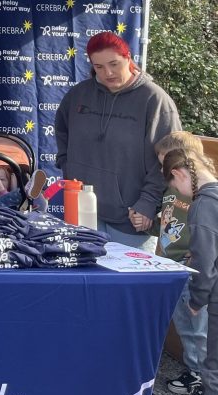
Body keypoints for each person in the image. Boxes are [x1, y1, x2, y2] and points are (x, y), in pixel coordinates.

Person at [55, 31, 181, 249]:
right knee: (85, 281)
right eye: (99, 67)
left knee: (130, 283)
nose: (108, 73)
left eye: (114, 64)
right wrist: (69, 168)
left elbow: (172, 158)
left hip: (132, 219)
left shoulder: (154, 100)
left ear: (129, 58)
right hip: (81, 213)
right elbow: (62, 132)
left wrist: (148, 203)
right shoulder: (78, 95)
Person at [156, 132, 209, 395]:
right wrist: (148, 224)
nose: (162, 169)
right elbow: (167, 224)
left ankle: (206, 382)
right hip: (173, 268)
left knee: (200, 331)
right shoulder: (172, 190)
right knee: (186, 329)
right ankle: (193, 371)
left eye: (165, 162)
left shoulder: (199, 194)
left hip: (194, 273)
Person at [163, 147, 218, 395]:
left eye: (175, 186)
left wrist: (197, 299)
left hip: (213, 298)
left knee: (214, 372)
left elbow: (205, 265)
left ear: (178, 174)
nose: (179, 193)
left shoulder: (203, 205)